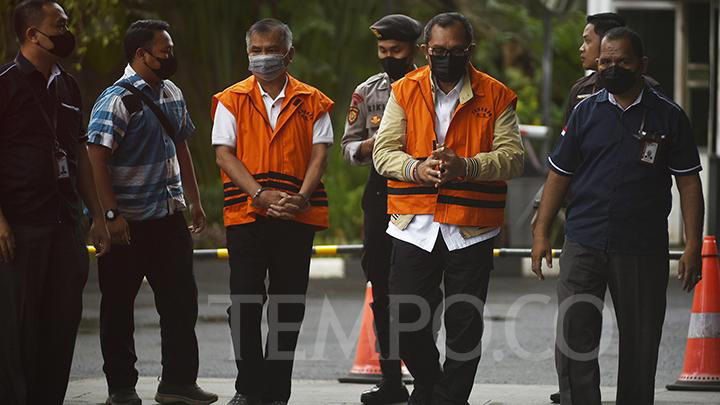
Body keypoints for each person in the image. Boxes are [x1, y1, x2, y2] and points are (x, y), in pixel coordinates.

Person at [531, 28, 704, 405]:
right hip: (583, 241)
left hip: (641, 246)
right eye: (605, 61)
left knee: (641, 341)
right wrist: (542, 232)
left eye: (622, 62)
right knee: (575, 334)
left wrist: (693, 246)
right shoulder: (584, 112)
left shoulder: (669, 116)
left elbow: (689, 184)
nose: (612, 68)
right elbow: (559, 174)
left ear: (641, 65)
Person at [373, 12, 524, 405]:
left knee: (463, 325)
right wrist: (417, 168)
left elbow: (513, 158)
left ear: (470, 51)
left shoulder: (496, 94)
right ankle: (430, 384)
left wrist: (468, 166)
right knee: (404, 320)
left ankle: (446, 398)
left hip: (471, 227)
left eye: (456, 52)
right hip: (413, 224)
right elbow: (383, 152)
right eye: (438, 51)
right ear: (425, 50)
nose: (445, 58)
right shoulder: (405, 90)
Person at [87, 19, 217, 405]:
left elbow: (181, 145)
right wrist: (110, 216)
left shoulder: (171, 92)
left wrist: (193, 199)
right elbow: (95, 159)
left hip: (168, 217)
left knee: (180, 303)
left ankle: (177, 382)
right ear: (141, 54)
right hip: (127, 224)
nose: (170, 57)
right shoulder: (117, 100)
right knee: (118, 309)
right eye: (164, 51)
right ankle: (122, 388)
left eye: (171, 50)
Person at [212, 18, 334, 405]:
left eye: (271, 50)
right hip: (247, 216)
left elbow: (320, 154)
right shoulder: (230, 99)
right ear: (247, 54)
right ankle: (249, 388)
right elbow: (224, 155)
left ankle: (276, 393)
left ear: (289, 54)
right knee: (245, 305)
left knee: (287, 308)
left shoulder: (314, 101)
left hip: (296, 218)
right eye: (256, 51)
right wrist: (260, 195)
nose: (263, 57)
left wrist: (301, 196)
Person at [0, 1, 111, 404]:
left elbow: (79, 153)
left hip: (65, 225)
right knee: (18, 332)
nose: (67, 33)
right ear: (32, 35)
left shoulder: (67, 85)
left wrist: (98, 215)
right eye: (59, 26)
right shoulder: (6, 83)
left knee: (61, 326)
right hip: (20, 228)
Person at [340, 14, 423, 405]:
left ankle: (426, 376)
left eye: (397, 51)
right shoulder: (367, 91)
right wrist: (375, 144)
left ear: (415, 50)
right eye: (383, 50)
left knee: (420, 288)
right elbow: (347, 148)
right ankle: (391, 380)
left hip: (421, 192)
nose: (388, 57)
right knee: (381, 285)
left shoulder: (429, 88)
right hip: (379, 194)